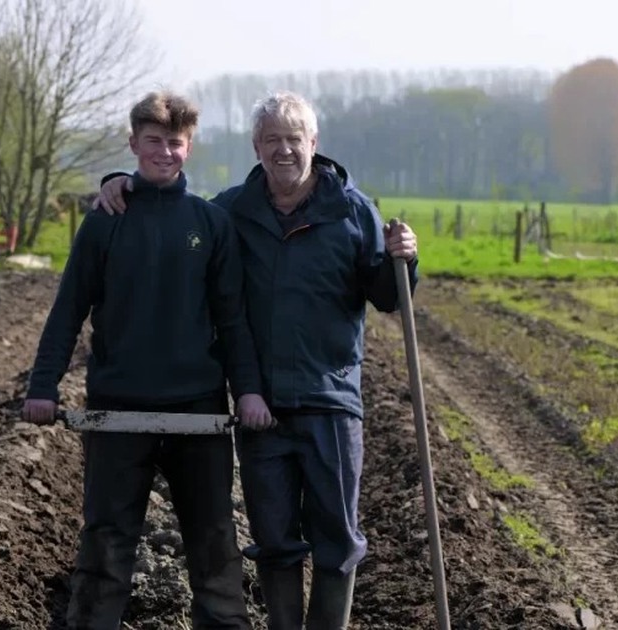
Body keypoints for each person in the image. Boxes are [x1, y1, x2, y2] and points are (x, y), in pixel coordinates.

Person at [93, 90, 420, 629]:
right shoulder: (231, 211)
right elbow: (174, 205)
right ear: (256, 147)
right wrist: (121, 181)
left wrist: (404, 261)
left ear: (314, 144)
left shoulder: (352, 210)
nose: (284, 150)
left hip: (330, 402)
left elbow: (387, 295)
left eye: (295, 139)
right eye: (273, 140)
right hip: (260, 405)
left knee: (337, 538)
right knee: (273, 540)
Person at [21, 90, 274, 630]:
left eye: (175, 143)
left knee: (213, 540)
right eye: (153, 142)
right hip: (117, 408)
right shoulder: (104, 222)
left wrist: (247, 390)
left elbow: (232, 322)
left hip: (198, 410)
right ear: (133, 143)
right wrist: (43, 387)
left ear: (190, 148)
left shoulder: (211, 225)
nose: (165, 153)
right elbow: (69, 311)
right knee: (107, 541)